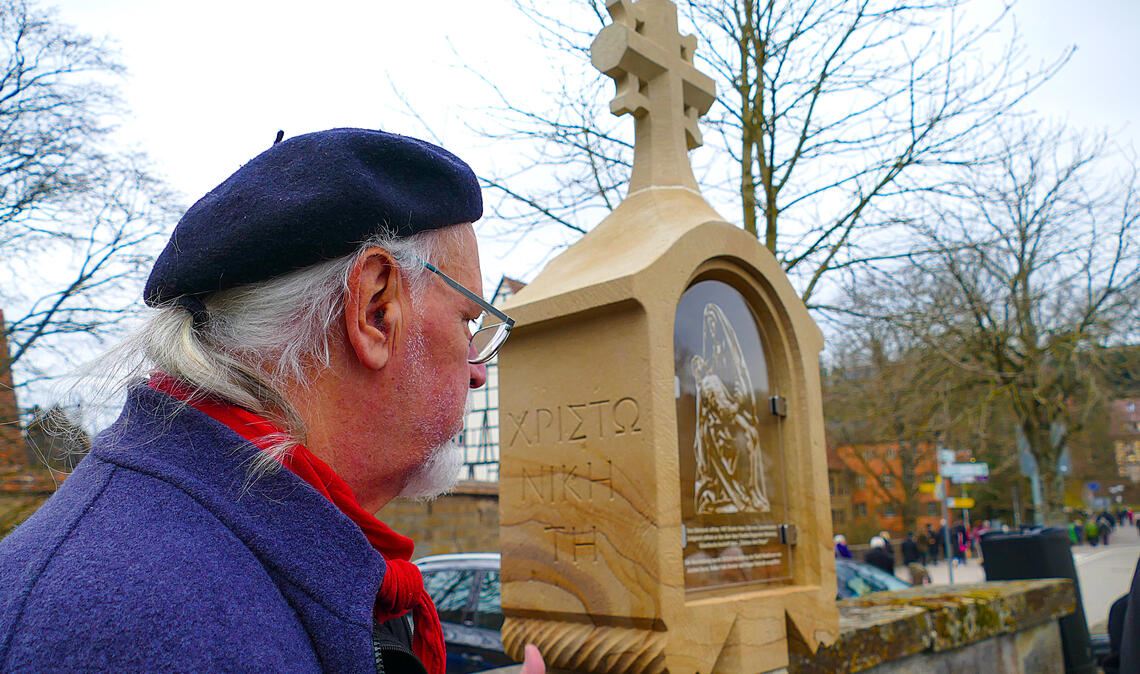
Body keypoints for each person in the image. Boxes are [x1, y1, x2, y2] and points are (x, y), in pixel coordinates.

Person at [0, 129, 545, 674]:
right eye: (468, 321)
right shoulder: (134, 627)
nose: (477, 370)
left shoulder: (200, 561)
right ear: (376, 310)